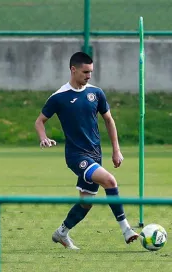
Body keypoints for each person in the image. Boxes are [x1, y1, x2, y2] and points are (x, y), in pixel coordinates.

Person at [34, 52, 139, 250]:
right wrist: (43, 137)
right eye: (85, 72)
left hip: (95, 155)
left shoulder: (96, 93)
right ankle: (126, 230)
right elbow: (39, 121)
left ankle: (62, 233)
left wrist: (116, 150)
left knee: (86, 203)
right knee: (110, 181)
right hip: (76, 156)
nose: (89, 75)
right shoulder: (59, 97)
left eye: (91, 72)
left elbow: (109, 120)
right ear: (73, 70)